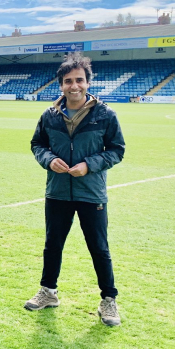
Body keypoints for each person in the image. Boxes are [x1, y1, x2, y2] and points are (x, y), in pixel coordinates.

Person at [26, 52, 125, 326]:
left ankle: (109, 301)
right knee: (52, 245)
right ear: (61, 84)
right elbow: (37, 145)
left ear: (87, 82)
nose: (74, 86)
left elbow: (117, 150)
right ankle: (48, 292)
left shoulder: (105, 115)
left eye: (79, 80)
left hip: (91, 192)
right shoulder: (49, 116)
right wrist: (48, 160)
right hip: (57, 191)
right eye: (68, 81)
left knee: (99, 248)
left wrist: (89, 165)